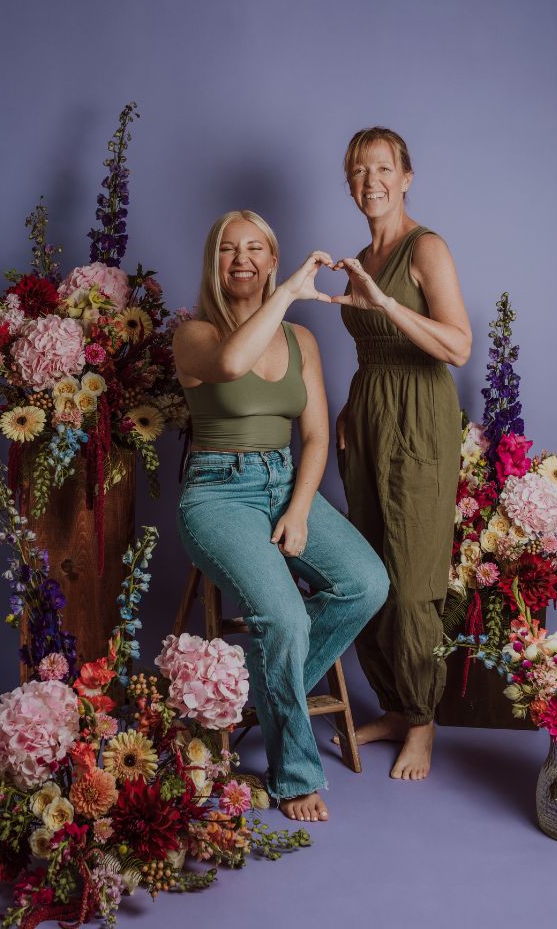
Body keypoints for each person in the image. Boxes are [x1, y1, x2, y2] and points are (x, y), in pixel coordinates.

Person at [173, 210, 390, 822]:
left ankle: (265, 688)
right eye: (227, 249)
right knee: (287, 618)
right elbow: (233, 364)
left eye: (256, 249)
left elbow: (317, 438)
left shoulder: (303, 342)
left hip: (285, 483)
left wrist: (298, 511)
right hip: (217, 495)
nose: (241, 259)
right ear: (214, 263)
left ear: (271, 258)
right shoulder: (193, 335)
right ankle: (294, 775)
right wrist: (291, 291)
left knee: (367, 583)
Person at [331, 128, 472, 780]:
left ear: (407, 176)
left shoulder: (426, 248)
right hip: (369, 416)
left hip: (419, 415)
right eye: (358, 172)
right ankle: (393, 704)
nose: (370, 183)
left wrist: (385, 301)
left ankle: (423, 721)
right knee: (371, 569)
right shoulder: (363, 253)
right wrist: (347, 415)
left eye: (382, 169)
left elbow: (457, 346)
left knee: (414, 578)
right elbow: (373, 353)